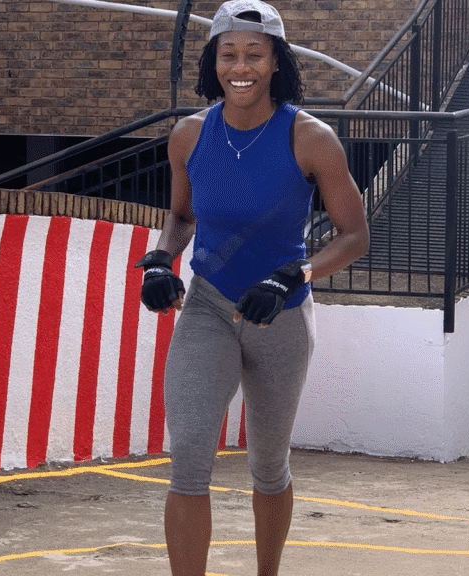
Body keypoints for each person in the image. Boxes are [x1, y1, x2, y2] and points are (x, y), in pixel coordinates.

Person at [135, 1, 370, 574]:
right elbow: (183, 216)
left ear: (275, 63)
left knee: (268, 464)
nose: (240, 66)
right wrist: (162, 259)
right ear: (213, 60)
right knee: (188, 454)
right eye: (228, 53)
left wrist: (297, 273)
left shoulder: (311, 139)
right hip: (208, 306)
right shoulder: (189, 136)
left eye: (254, 54)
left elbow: (356, 234)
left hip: (280, 314)